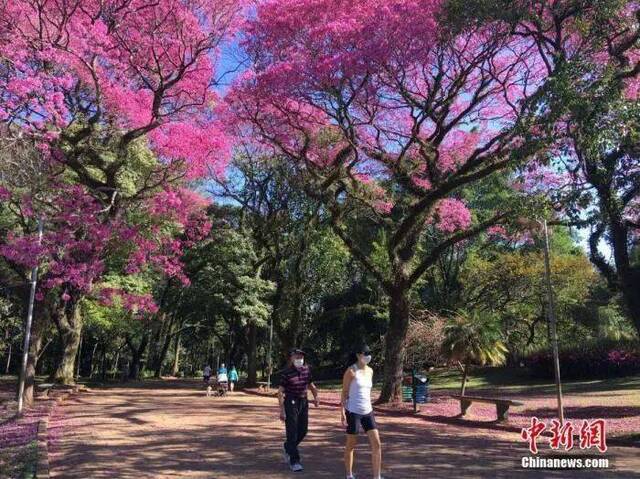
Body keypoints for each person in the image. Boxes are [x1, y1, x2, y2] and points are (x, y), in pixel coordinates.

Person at [341, 344, 384, 479]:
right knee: (351, 444)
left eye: (369, 354)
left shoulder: (370, 371)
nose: (368, 356)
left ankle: (377, 476)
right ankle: (349, 475)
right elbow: (344, 393)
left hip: (368, 411)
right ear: (359, 355)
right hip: (353, 411)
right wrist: (342, 411)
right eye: (365, 354)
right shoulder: (351, 371)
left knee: (377, 443)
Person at [278, 348, 319, 472]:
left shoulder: (306, 370)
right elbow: (280, 392)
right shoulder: (286, 373)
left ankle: (288, 447)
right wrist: (282, 410)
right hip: (291, 402)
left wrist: (316, 397)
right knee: (292, 432)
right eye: (296, 357)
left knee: (303, 430)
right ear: (291, 358)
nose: (299, 359)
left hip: (303, 401)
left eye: (301, 357)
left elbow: (311, 385)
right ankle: (294, 461)